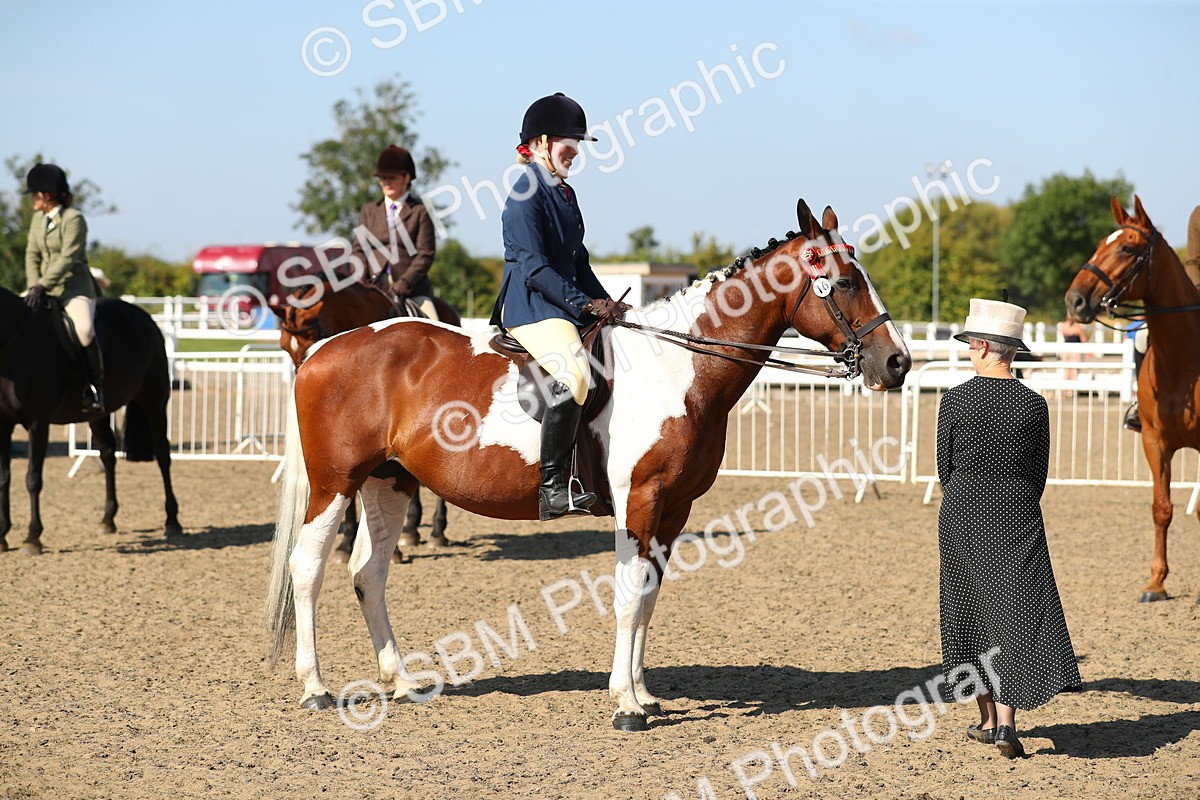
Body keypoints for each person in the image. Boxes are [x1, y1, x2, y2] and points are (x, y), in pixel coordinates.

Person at [937, 298, 1081, 759]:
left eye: (970, 344)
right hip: (1017, 516)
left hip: (962, 515)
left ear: (982, 346)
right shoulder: (1034, 404)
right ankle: (1005, 724)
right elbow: (1038, 473)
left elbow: (944, 468)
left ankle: (985, 719)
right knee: (1015, 615)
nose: (969, 351)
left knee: (970, 615)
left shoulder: (954, 400)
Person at [489, 93, 629, 521]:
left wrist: (607, 303)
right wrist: (583, 303)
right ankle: (552, 487)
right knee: (575, 375)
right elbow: (534, 267)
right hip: (531, 305)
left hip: (560, 302)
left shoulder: (564, 193)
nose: (576, 152)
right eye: (569, 142)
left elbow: (578, 262)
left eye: (578, 143)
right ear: (542, 143)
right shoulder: (525, 193)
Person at [23, 163, 104, 415]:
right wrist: (33, 286)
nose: (32, 199)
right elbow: (32, 254)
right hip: (41, 288)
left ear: (47, 195)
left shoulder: (74, 219)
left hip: (73, 289)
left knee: (84, 331)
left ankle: (95, 388)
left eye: (35, 194)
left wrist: (42, 285)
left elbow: (68, 258)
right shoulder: (38, 220)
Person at [348, 145, 441, 319]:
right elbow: (358, 249)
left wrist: (405, 282)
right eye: (383, 178)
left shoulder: (420, 211)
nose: (386, 182)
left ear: (407, 178)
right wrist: (361, 280)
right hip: (373, 286)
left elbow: (425, 254)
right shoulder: (369, 211)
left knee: (434, 323)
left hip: (411, 290)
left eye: (392, 178)